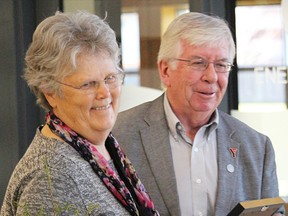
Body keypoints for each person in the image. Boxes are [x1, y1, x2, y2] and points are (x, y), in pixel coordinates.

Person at [112, 12, 284, 216]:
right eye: (198, 63)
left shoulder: (256, 148)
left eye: (221, 65)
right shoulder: (118, 136)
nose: (211, 76)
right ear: (166, 71)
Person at [0, 11, 159, 216]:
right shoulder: (52, 179)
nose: (104, 93)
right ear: (50, 93)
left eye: (110, 78)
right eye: (88, 84)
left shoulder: (101, 149)